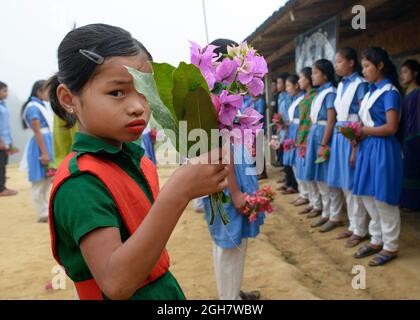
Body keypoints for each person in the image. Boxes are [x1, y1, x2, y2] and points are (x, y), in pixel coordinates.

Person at [48, 24, 229, 300]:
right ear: (68, 99)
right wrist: (178, 190)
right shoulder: (81, 182)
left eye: (144, 90)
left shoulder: (139, 162)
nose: (138, 106)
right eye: (117, 93)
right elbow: (116, 283)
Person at [201, 38, 263, 301]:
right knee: (231, 247)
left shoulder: (213, 96)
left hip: (227, 180)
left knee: (226, 244)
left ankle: (232, 293)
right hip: (228, 183)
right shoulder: (215, 99)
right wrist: (236, 192)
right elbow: (221, 150)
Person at [352, 47, 403, 266]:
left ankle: (390, 246)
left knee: (383, 198)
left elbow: (391, 127)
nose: (363, 71)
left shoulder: (389, 92)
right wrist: (356, 138)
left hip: (383, 148)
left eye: (366, 66)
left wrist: (363, 131)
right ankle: (377, 238)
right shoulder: (371, 91)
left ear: (380, 66)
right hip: (367, 147)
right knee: (367, 195)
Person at [326, 48, 370, 241]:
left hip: (352, 133)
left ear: (351, 62)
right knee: (345, 183)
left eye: (340, 61)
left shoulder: (360, 84)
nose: (337, 66)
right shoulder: (342, 85)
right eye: (335, 62)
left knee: (352, 184)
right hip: (340, 133)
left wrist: (354, 142)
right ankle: (353, 225)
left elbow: (363, 113)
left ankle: (360, 229)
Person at [302, 59, 338, 231]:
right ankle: (325, 211)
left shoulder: (330, 92)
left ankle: (334, 214)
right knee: (318, 176)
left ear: (325, 74)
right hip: (315, 135)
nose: (312, 76)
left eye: (315, 72)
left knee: (326, 177)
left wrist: (324, 143)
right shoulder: (319, 93)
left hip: (323, 137)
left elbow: (331, 121)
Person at [20, 80, 54, 222]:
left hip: (47, 142)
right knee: (39, 181)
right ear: (40, 91)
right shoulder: (33, 107)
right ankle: (42, 212)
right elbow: (37, 131)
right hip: (41, 145)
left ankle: (46, 209)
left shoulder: (41, 105)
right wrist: (44, 152)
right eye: (47, 90)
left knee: (47, 180)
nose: (49, 94)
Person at [293, 67, 318, 211]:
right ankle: (312, 201)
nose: (299, 81)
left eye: (301, 78)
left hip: (309, 135)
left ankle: (317, 203)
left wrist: (306, 138)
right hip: (302, 134)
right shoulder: (305, 96)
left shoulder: (314, 96)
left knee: (311, 171)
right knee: (303, 170)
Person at [398, 59, 420, 211]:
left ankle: (413, 203)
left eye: (406, 72)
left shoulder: (418, 92)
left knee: (413, 170)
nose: (402, 76)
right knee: (406, 169)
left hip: (415, 136)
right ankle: (406, 201)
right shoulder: (405, 93)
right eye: (402, 73)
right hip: (406, 136)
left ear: (415, 73)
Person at [279, 75, 303, 195]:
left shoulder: (301, 98)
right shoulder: (294, 99)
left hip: (298, 131)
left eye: (289, 85)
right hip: (291, 130)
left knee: (298, 161)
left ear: (296, 86)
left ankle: (296, 187)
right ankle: (300, 190)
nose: (287, 88)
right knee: (292, 161)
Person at [0, 81, 18, 196]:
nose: (7, 93)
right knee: (0, 164)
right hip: (1, 141)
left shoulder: (3, 105)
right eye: (4, 91)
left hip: (6, 140)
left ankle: (2, 182)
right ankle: (1, 189)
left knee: (3, 163)